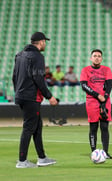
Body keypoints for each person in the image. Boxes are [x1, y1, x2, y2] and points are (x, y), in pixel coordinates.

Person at [12, 32, 58, 168]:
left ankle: (42, 158)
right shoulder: (37, 57)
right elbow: (38, 78)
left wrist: (18, 92)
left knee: (37, 126)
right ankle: (22, 161)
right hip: (31, 97)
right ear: (41, 42)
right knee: (29, 127)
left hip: (21, 95)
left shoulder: (19, 55)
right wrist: (50, 96)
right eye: (45, 42)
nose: (45, 44)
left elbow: (14, 77)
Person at [80, 49, 112, 159]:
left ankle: (105, 152)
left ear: (102, 58)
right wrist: (97, 95)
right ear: (91, 58)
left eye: (99, 56)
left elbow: (109, 85)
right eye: (95, 56)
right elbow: (84, 86)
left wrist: (105, 97)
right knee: (93, 127)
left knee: (104, 127)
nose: (97, 57)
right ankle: (94, 152)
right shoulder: (85, 70)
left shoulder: (106, 70)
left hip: (105, 101)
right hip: (92, 101)